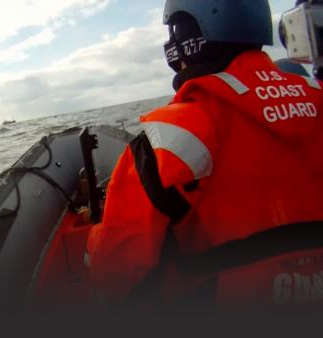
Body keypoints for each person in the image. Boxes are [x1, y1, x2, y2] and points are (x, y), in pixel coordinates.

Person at [86, 0, 323, 312]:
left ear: (190, 35)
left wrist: (94, 238)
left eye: (174, 31)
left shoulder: (169, 137)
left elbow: (117, 270)